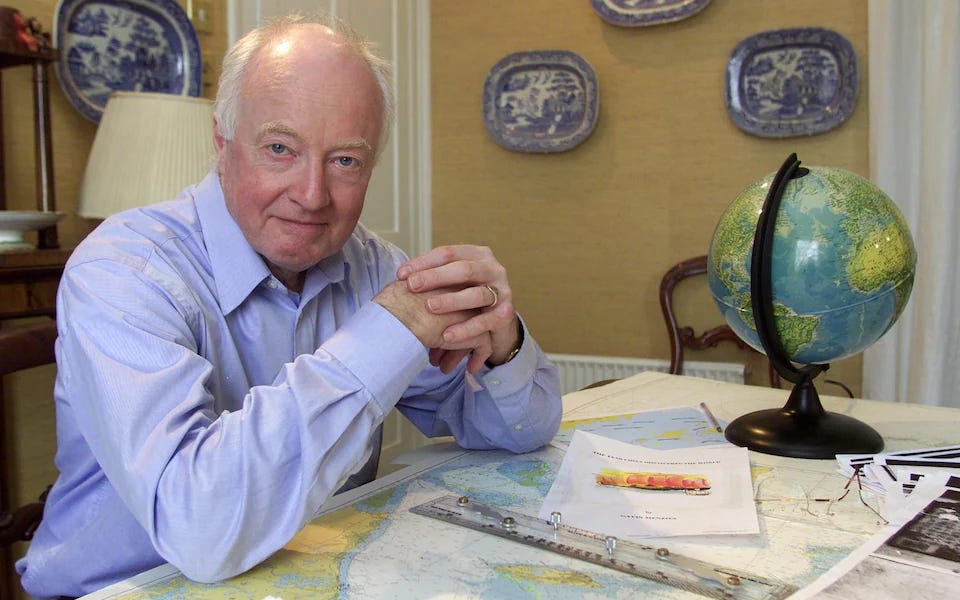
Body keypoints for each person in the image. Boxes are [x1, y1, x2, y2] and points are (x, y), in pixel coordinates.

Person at [17, 13, 561, 599]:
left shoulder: (374, 267)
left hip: (306, 575)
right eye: (280, 149)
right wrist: (389, 333)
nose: (311, 195)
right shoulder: (123, 272)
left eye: (345, 160)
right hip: (125, 589)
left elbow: (517, 430)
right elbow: (199, 530)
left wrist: (502, 343)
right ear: (222, 142)